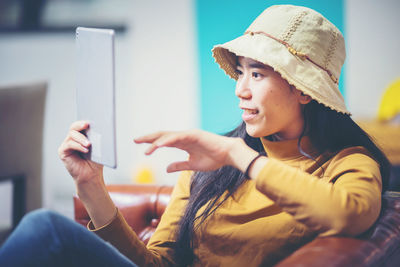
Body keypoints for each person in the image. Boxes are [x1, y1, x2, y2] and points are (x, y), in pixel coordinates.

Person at [0, 5, 391, 267]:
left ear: (303, 89)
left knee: (44, 228)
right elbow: (156, 263)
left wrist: (241, 157)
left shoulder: (348, 162)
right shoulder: (212, 166)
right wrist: (91, 187)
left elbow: (348, 215)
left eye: (257, 73)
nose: (241, 89)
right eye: (240, 72)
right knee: (44, 227)